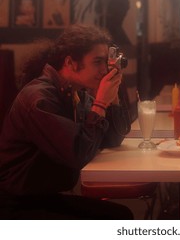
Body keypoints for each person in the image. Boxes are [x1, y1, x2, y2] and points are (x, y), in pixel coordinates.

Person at [0, 24, 133, 219]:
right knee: (116, 219)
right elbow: (79, 153)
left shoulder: (75, 94)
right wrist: (101, 103)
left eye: (106, 62)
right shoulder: (39, 99)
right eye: (98, 62)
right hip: (16, 207)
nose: (104, 69)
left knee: (121, 215)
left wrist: (112, 98)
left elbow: (112, 139)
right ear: (70, 63)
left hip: (44, 198)